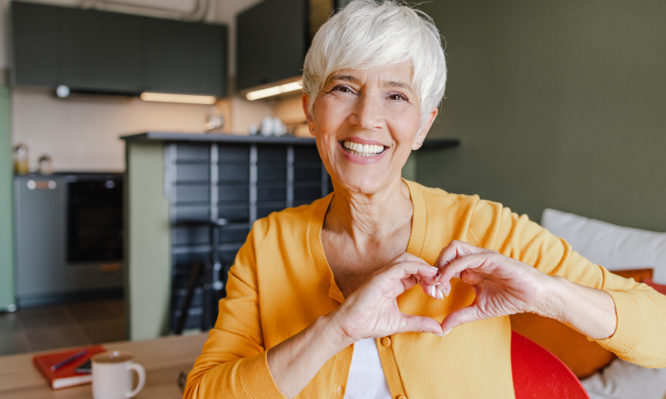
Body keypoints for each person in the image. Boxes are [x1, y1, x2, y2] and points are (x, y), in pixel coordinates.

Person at [184, 1, 666, 398]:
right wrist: (337, 329)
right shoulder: (269, 245)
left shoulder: (486, 228)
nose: (366, 118)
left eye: (396, 96)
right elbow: (204, 393)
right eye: (345, 88)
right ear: (311, 112)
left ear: (423, 125)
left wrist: (545, 292)